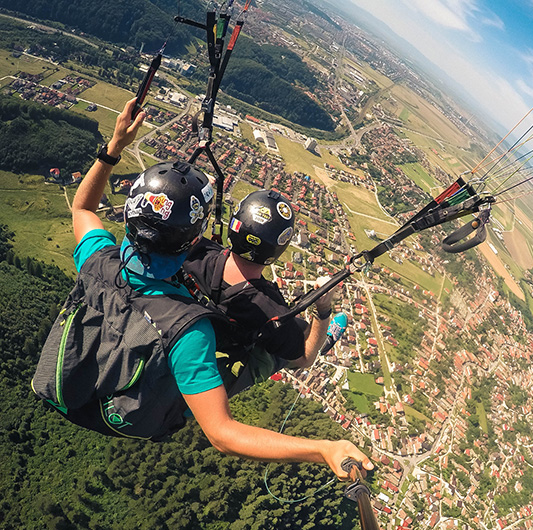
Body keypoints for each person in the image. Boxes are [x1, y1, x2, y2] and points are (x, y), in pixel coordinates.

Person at [43, 97, 372, 479]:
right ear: (190, 242)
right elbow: (222, 433)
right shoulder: (189, 333)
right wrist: (322, 449)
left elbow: (83, 209)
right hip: (134, 415)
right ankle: (321, 329)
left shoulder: (99, 259)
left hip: (77, 381)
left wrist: (114, 147)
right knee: (261, 360)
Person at [182, 189, 335, 395]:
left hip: (188, 334)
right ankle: (323, 337)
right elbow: (305, 359)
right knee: (298, 334)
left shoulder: (196, 252)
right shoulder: (269, 309)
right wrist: (323, 311)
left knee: (287, 329)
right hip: (227, 352)